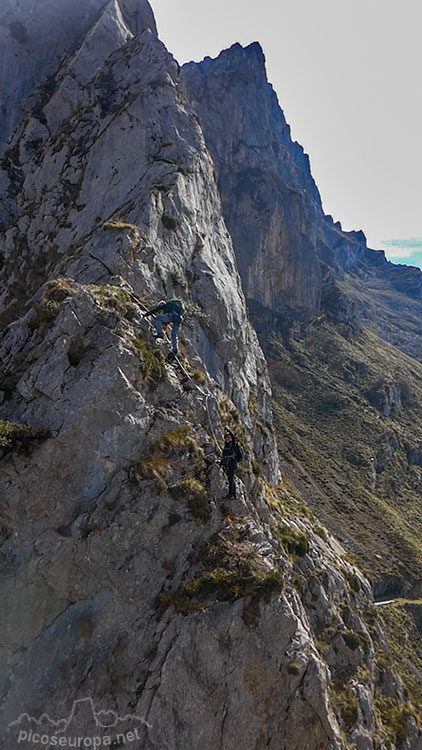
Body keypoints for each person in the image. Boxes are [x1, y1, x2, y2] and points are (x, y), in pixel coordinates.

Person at [220, 429, 243, 499]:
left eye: (228, 437)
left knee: (231, 478)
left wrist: (228, 430)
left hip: (232, 463)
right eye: (226, 438)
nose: (228, 439)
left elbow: (233, 437)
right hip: (228, 464)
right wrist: (221, 463)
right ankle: (233, 494)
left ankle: (231, 494)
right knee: (231, 478)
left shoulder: (232, 445)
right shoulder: (226, 447)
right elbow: (223, 457)